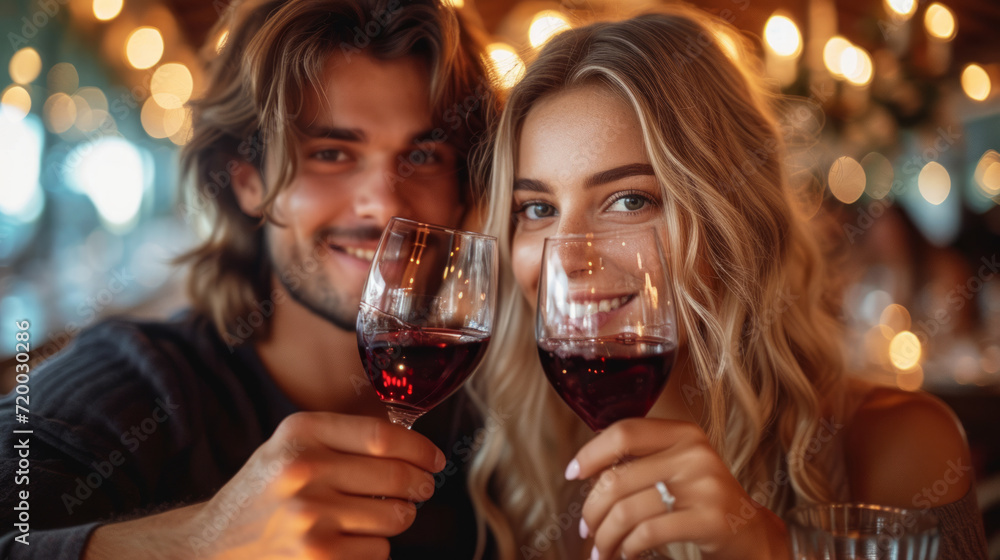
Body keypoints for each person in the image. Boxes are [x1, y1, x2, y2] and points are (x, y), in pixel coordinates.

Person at [466, 7, 989, 560]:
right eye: (538, 208)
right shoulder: (515, 448)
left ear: (731, 216)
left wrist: (772, 548)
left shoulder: (902, 446)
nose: (567, 259)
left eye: (630, 200)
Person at [0, 0, 497, 558]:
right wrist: (195, 546)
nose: (382, 205)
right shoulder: (138, 385)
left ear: (465, 192)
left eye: (425, 154)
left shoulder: (503, 402)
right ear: (248, 182)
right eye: (332, 152)